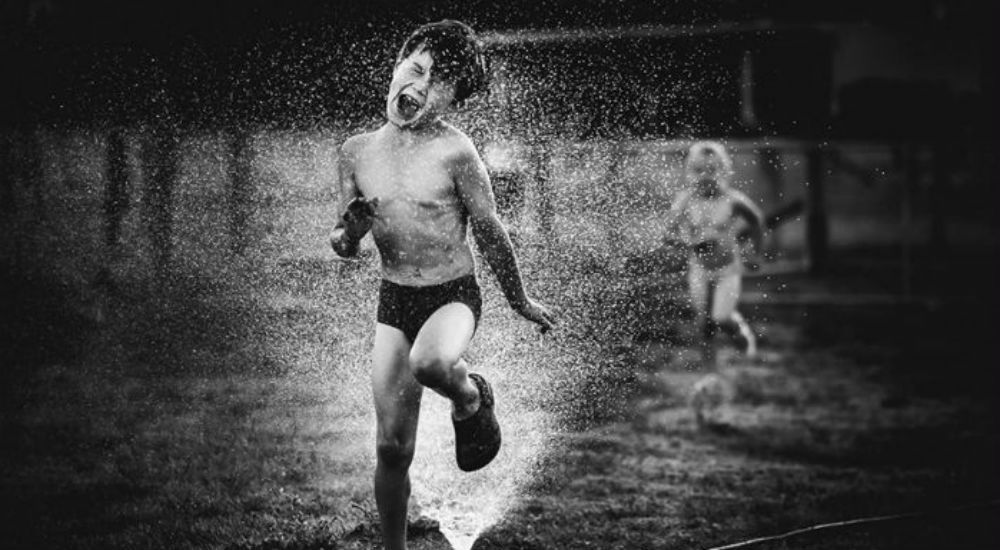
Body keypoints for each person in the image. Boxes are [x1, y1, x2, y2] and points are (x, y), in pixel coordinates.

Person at [328, 20, 556, 550]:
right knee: (391, 447)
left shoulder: (457, 152)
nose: (418, 88)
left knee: (429, 362)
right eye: (415, 70)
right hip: (395, 300)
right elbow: (342, 241)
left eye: (437, 86)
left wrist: (519, 299)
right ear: (398, 63)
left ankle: (471, 394)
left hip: (453, 295)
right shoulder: (355, 151)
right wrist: (350, 233)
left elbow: (492, 232)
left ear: (453, 102)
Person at [667, 140, 764, 361]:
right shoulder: (685, 201)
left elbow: (756, 220)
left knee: (721, 317)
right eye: (698, 170)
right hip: (699, 268)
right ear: (689, 172)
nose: (705, 176)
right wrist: (691, 243)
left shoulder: (733, 199)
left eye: (712, 170)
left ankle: (742, 335)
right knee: (704, 321)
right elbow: (667, 235)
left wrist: (755, 252)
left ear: (724, 170)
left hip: (727, 268)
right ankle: (709, 369)